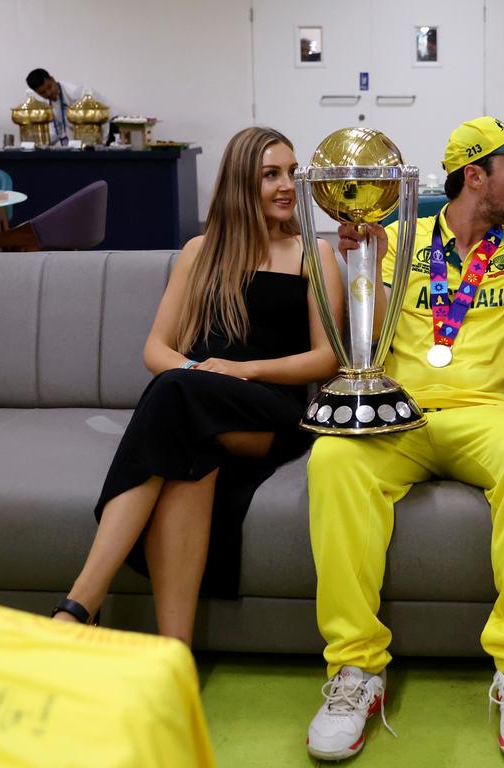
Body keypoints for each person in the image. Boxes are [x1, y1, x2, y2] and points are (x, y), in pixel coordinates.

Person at [305, 116, 504, 761]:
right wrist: (356, 258)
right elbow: (366, 322)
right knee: (333, 456)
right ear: (475, 176)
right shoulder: (399, 236)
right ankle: (356, 670)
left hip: (486, 413)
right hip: (402, 412)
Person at [52, 126, 343, 645]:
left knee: (176, 398)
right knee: (187, 434)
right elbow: (156, 349)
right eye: (270, 174)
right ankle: (174, 653)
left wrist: (241, 370)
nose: (286, 185)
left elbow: (326, 359)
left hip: (274, 412)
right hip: (202, 406)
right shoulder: (199, 252)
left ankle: (79, 605)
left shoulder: (313, 255)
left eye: (292, 173)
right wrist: (201, 372)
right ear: (238, 183)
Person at [25, 68, 95, 145]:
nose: (48, 93)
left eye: (49, 87)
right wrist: (39, 143)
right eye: (43, 92)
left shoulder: (75, 92)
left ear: (52, 79)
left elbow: (94, 122)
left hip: (101, 134)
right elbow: (56, 131)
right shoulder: (46, 103)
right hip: (77, 141)